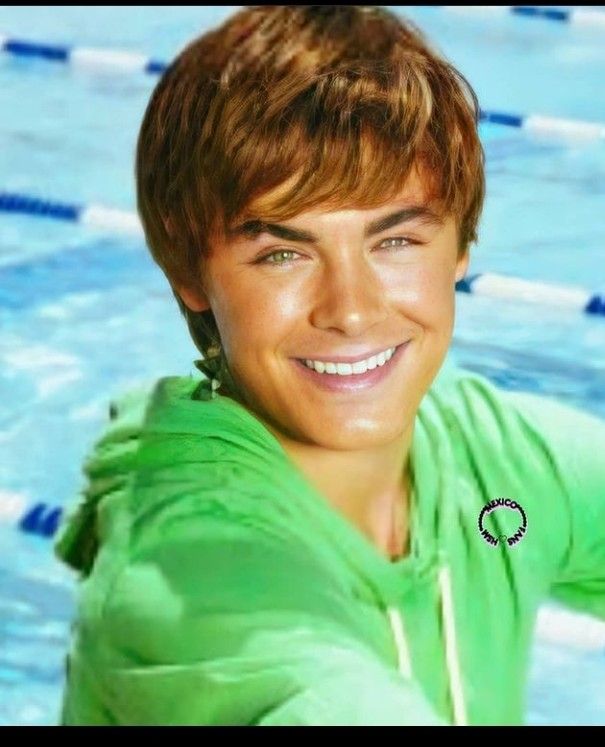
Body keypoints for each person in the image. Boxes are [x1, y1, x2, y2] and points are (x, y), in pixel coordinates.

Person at [53, 5, 605, 726]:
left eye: (396, 241)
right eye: (282, 253)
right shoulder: (186, 567)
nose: (350, 309)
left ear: (460, 246)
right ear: (190, 272)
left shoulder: (491, 461)